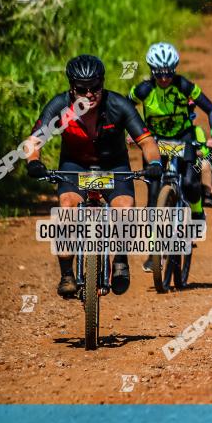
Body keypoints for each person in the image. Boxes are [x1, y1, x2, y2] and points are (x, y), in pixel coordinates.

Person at [24, 54, 163, 298]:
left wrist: (153, 162)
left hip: (114, 164)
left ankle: (120, 259)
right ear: (71, 87)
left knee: (125, 209)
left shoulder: (119, 105)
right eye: (82, 89)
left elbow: (147, 141)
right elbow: (34, 140)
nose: (89, 95)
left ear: (103, 83)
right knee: (67, 209)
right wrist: (34, 161)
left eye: (95, 88)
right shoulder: (59, 106)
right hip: (74, 165)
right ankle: (67, 273)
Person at [129, 42, 212, 270]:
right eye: (159, 75)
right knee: (152, 201)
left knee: (190, 183)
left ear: (175, 69)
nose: (164, 79)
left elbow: (211, 109)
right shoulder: (142, 90)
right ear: (152, 71)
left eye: (169, 74)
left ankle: (198, 215)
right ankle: (153, 252)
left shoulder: (184, 86)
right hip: (154, 142)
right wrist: (130, 133)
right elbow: (123, 109)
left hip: (184, 138)